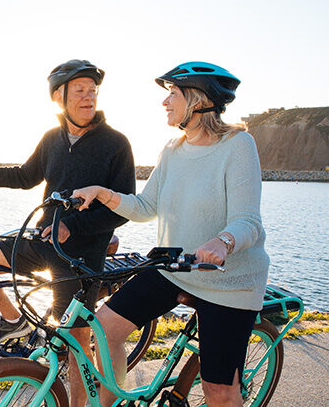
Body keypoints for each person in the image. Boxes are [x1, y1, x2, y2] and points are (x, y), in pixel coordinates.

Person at [71, 62, 269, 407]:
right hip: (176, 268)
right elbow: (147, 206)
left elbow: (248, 221)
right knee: (103, 331)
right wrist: (102, 192)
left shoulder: (238, 145)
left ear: (197, 100)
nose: (165, 102)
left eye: (172, 94)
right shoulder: (172, 150)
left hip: (228, 282)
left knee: (219, 391)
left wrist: (222, 242)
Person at [0, 59, 135, 407]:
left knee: (75, 342)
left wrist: (73, 225)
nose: (88, 97)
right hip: (41, 241)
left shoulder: (116, 143)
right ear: (59, 97)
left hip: (80, 258)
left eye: (92, 90)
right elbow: (24, 176)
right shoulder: (52, 138)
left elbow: (124, 207)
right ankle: (15, 320)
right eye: (79, 90)